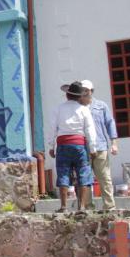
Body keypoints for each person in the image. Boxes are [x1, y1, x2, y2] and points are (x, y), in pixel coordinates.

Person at [48, 81, 98, 213]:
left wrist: (52, 146)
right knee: (83, 172)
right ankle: (81, 206)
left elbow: (53, 128)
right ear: (79, 96)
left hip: (63, 144)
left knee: (63, 172)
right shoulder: (84, 110)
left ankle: (64, 206)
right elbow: (90, 130)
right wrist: (92, 148)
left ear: (67, 95)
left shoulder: (58, 109)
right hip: (79, 145)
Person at [80, 79, 119, 210]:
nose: (85, 92)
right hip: (84, 148)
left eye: (87, 90)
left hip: (100, 146)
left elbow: (110, 123)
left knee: (104, 177)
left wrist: (114, 143)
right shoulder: (77, 107)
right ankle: (88, 207)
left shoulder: (101, 106)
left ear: (92, 91)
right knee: (85, 179)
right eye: (83, 90)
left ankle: (109, 206)